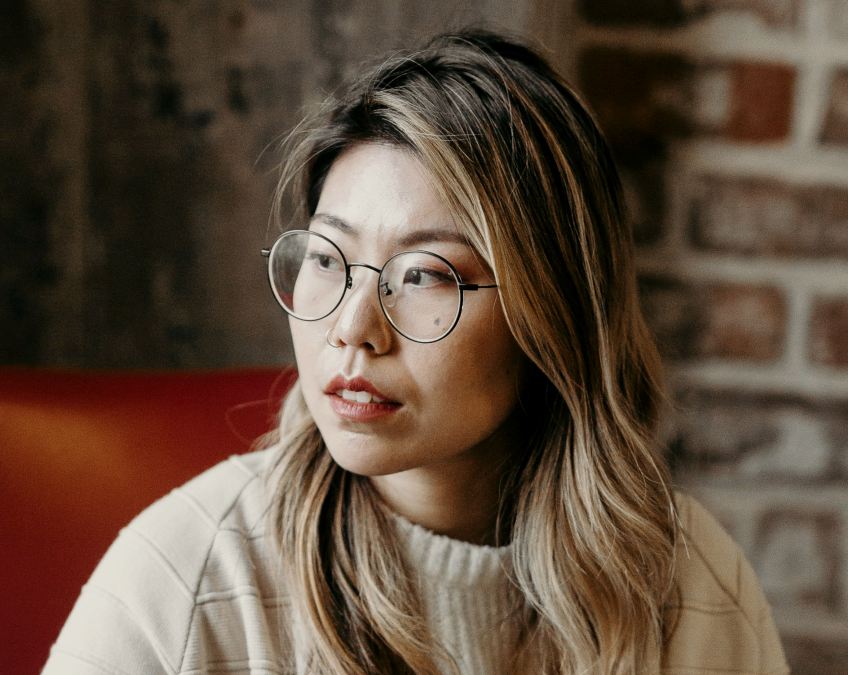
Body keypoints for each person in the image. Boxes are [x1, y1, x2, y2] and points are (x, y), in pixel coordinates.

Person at [42, 31, 788, 675]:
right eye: (328, 257)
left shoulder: (693, 589)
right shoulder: (186, 583)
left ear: (553, 314)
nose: (353, 327)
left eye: (427, 275)